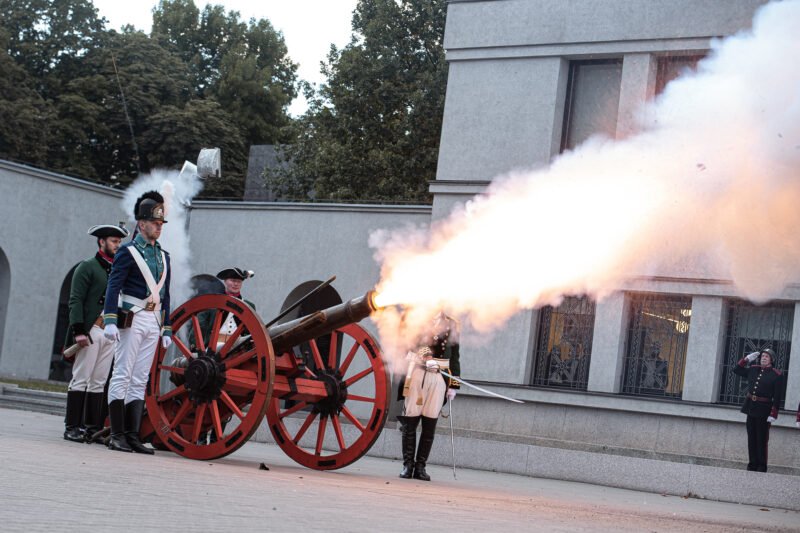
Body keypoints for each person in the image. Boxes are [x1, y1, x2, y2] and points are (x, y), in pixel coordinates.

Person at [102, 191, 172, 454]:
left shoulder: (164, 256)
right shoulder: (128, 251)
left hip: (153, 320)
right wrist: (110, 319)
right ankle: (116, 434)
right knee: (122, 373)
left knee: (141, 378)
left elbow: (166, 295)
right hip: (132, 317)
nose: (159, 227)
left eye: (161, 223)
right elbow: (114, 286)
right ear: (141, 224)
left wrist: (167, 327)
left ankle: (132, 435)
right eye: (154, 222)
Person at [62, 223, 129, 442]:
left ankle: (92, 429)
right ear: (101, 242)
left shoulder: (119, 270)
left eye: (119, 242)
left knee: (99, 381)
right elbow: (75, 300)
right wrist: (79, 330)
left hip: (110, 331)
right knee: (81, 378)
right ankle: (72, 427)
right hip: (90, 330)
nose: (117, 245)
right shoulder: (87, 267)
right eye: (114, 241)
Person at [397, 311, 461, 481]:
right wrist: (426, 356)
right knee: (410, 421)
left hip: (439, 378)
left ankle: (420, 467)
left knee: (430, 423)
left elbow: (455, 357)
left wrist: (453, 385)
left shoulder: (452, 323)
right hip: (417, 373)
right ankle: (407, 465)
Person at [195, 267, 255, 444]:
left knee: (228, 397)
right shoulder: (213, 301)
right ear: (225, 282)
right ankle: (201, 434)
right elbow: (200, 324)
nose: (235, 284)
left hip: (235, 355)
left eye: (239, 281)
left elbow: (252, 330)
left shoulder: (249, 306)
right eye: (232, 280)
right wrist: (197, 347)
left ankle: (217, 434)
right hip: (212, 352)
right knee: (206, 395)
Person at [733, 348, 784, 472]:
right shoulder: (753, 369)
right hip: (751, 407)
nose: (763, 358)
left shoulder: (776, 375)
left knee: (761, 439)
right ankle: (752, 464)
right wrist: (746, 359)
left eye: (766, 356)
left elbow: (778, 396)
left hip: (764, 410)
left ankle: (761, 466)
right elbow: (736, 370)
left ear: (771, 360)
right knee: (751, 438)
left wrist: (774, 413)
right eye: (762, 356)